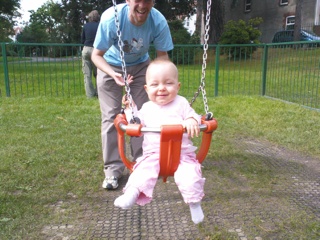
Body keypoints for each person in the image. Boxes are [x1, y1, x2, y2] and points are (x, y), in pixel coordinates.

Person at [91, 0, 173, 190]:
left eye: (148, 0)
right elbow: (96, 55)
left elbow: (162, 58)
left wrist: (160, 82)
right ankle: (112, 170)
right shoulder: (111, 19)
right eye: (138, 0)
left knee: (141, 114)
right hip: (109, 65)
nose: (142, 5)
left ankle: (140, 163)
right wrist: (112, 74)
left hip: (140, 66)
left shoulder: (158, 21)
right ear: (128, 0)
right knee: (112, 117)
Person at [114, 59, 205, 225]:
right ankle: (131, 194)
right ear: (147, 89)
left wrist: (191, 120)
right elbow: (136, 121)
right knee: (142, 172)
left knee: (190, 176)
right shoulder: (147, 108)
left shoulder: (182, 103)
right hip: (152, 155)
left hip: (182, 154)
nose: (162, 88)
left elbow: (194, 116)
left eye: (168, 83)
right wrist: (129, 107)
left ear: (178, 86)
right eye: (155, 84)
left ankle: (194, 204)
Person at [81, 10, 100, 98]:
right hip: (96, 50)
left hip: (86, 49)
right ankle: (98, 92)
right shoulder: (99, 25)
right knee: (98, 73)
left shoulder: (85, 26)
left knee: (87, 74)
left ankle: (90, 94)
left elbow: (82, 39)